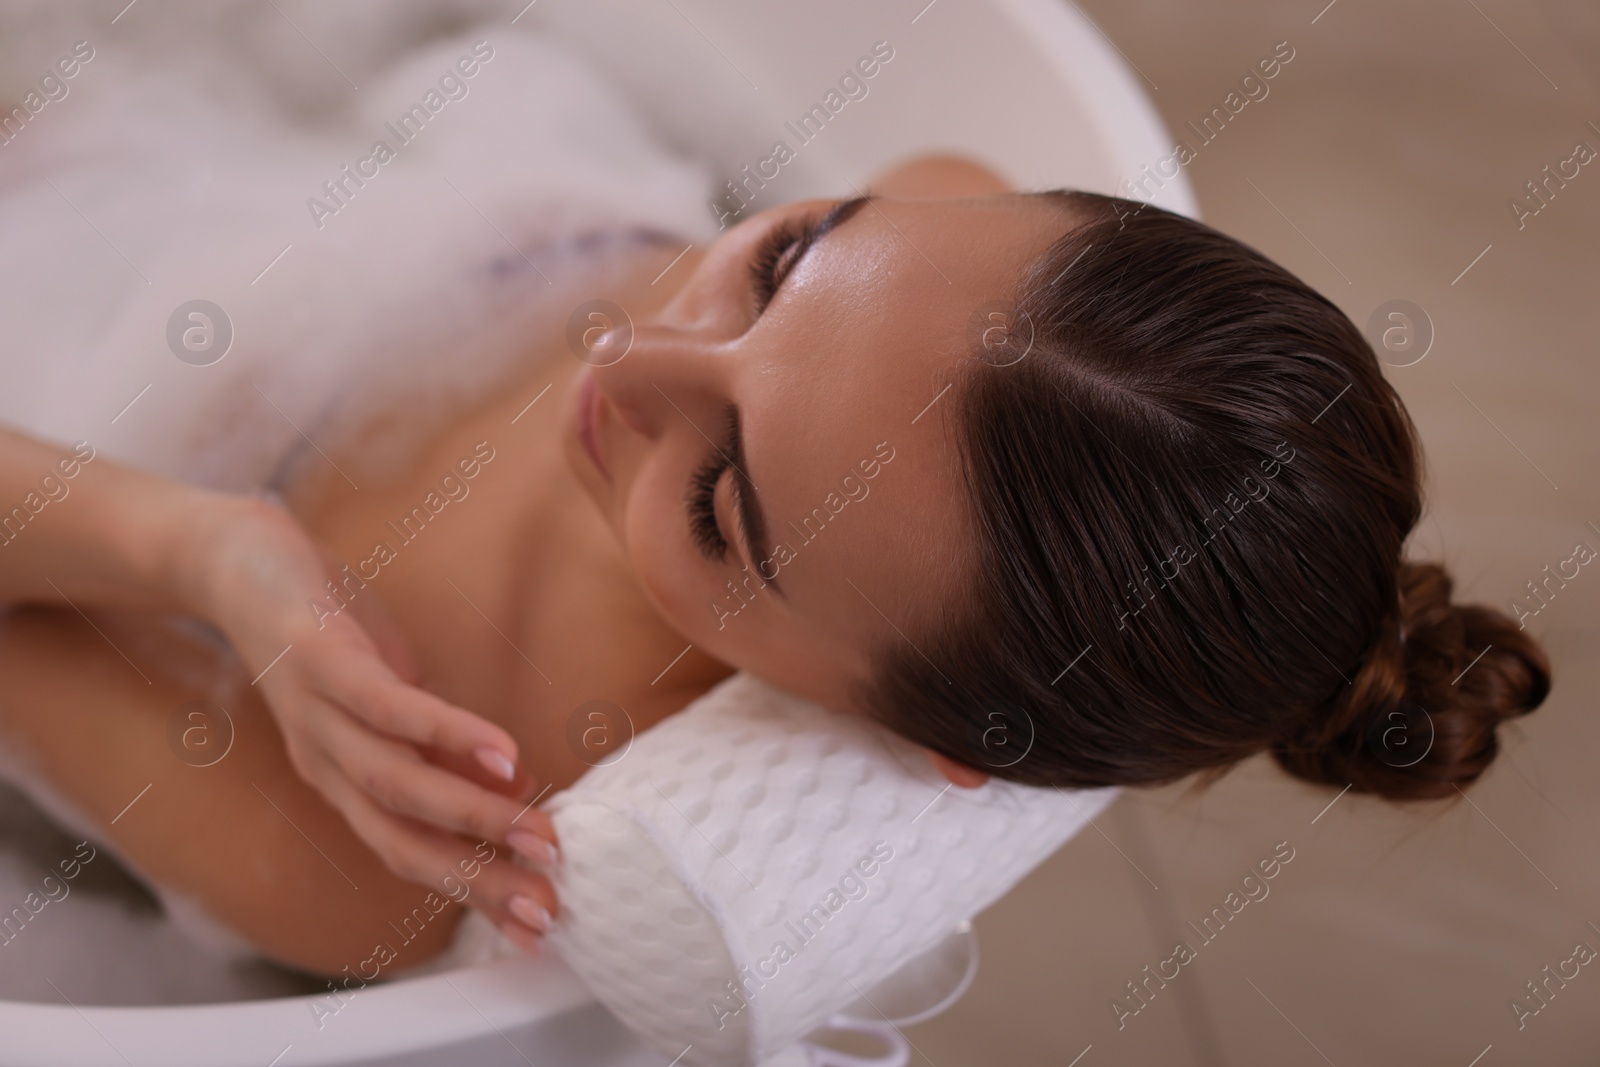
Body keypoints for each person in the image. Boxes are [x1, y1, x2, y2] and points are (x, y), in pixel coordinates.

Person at [0, 155, 1549, 976]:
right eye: (785, 255)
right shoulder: (952, 280)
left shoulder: (374, 832)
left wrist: (207, 549)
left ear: (926, 745)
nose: (638, 350)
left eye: (725, 499)